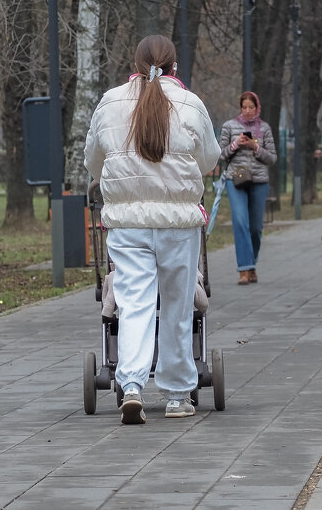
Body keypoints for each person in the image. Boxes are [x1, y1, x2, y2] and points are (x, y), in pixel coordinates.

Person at [84, 35, 219, 424]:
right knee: (176, 307)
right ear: (174, 67)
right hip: (178, 223)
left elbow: (94, 163)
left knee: (134, 306)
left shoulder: (110, 103)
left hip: (127, 226)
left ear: (136, 63)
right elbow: (208, 159)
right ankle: (178, 396)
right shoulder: (190, 104)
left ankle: (131, 387)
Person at [219, 91, 277, 285]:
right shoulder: (229, 126)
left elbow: (272, 158)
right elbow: (220, 155)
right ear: (240, 108)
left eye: (251, 107)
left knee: (255, 228)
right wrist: (236, 144)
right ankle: (243, 270)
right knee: (240, 222)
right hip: (235, 180)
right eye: (244, 107)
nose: (248, 111)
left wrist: (255, 147)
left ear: (257, 108)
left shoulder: (265, 128)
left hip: (259, 181)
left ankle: (251, 265)